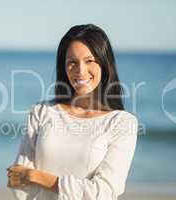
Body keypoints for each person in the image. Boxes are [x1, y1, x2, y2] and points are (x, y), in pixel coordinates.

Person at [7, 24, 138, 200]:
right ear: (64, 66)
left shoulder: (122, 123)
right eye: (72, 62)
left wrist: (37, 176)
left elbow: (103, 194)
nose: (80, 71)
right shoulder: (41, 112)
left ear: (104, 63)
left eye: (89, 61)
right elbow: (18, 186)